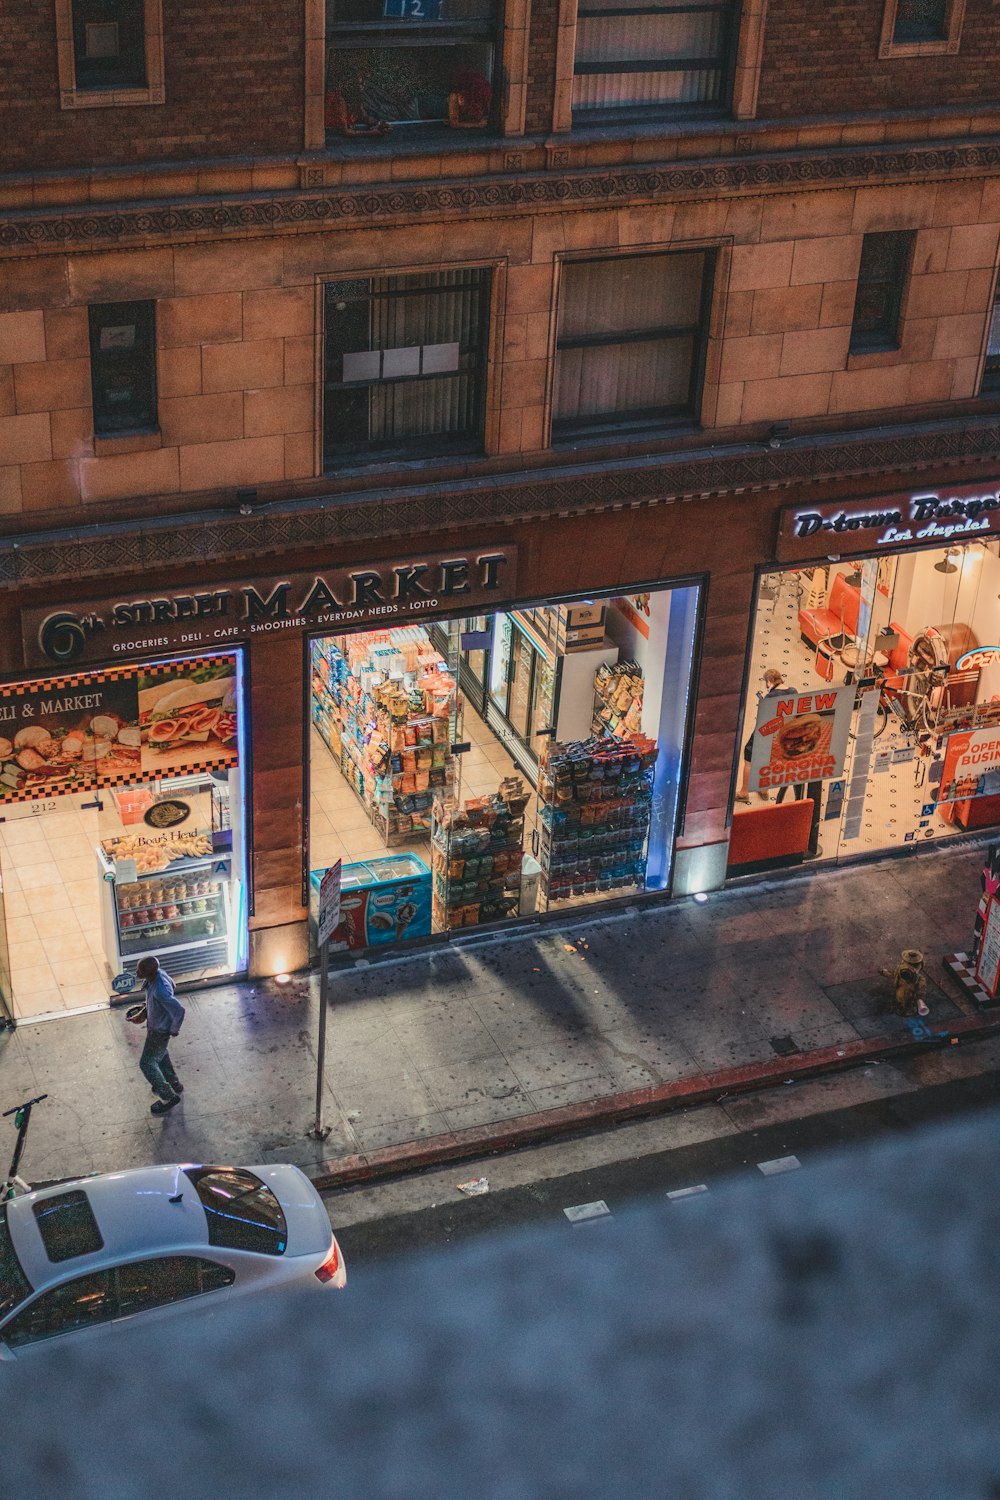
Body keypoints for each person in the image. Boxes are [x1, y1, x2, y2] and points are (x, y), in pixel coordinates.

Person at [129, 957, 186, 1115]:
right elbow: (172, 985)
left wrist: (174, 1028)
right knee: (160, 1056)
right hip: (157, 1027)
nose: (137, 972)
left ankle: (168, 1096)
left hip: (159, 1031)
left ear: (148, 972)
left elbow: (179, 1010)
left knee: (147, 1063)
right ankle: (174, 1084)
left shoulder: (160, 991)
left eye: (140, 970)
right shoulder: (158, 975)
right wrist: (148, 1010)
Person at [736, 668, 794, 803]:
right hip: (782, 733)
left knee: (749, 758)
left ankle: (744, 792)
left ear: (769, 681)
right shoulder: (793, 691)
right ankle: (764, 790)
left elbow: (764, 718)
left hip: (766, 732)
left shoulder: (771, 696)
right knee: (768, 758)